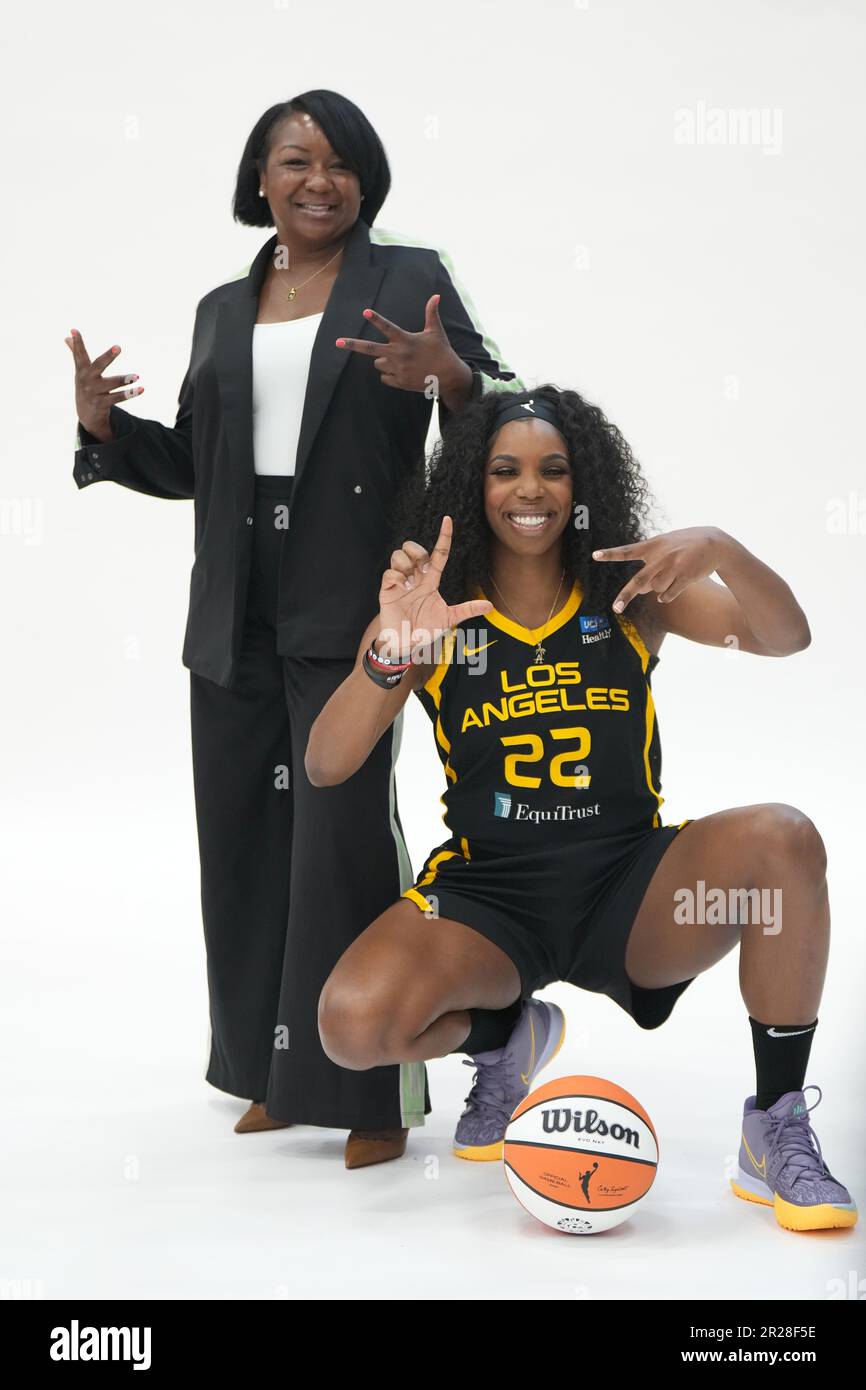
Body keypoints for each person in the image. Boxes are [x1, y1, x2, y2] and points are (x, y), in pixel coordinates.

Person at [67, 88, 524, 1169]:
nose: (316, 180)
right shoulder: (223, 308)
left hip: (354, 598)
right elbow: (196, 461)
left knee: (341, 842)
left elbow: (500, 404)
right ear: (258, 180)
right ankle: (274, 1069)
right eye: (292, 161)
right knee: (242, 843)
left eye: (337, 162)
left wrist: (445, 375)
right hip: (233, 604)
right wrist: (101, 427)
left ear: (364, 179)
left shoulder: (407, 279)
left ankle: (368, 1085)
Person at [306, 385, 856, 1231]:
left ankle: (775, 1128)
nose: (531, 491)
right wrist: (391, 652)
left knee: (785, 842)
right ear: (471, 485)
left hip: (631, 891)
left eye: (552, 470)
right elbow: (327, 762)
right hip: (491, 898)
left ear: (581, 481)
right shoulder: (435, 608)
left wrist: (723, 548)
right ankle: (502, 1036)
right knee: (352, 1024)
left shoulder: (631, 592)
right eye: (505, 470)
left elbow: (786, 637)